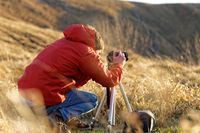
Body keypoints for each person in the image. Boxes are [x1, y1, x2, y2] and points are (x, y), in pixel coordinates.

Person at [17, 24, 126, 130]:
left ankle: (64, 119)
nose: (98, 57)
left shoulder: (64, 42)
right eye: (98, 54)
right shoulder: (86, 52)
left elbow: (70, 82)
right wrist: (119, 64)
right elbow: (110, 80)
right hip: (41, 101)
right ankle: (56, 119)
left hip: (23, 99)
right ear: (95, 48)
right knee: (91, 100)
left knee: (69, 95)